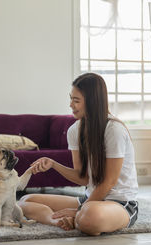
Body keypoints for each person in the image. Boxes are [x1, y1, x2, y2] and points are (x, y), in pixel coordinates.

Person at [18, 72, 138, 236]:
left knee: (90, 216)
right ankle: (58, 221)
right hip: (90, 200)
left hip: (119, 204)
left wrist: (81, 209)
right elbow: (83, 178)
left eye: (76, 101)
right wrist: (53, 164)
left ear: (92, 102)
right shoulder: (75, 131)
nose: (71, 105)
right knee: (25, 201)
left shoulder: (114, 130)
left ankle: (79, 217)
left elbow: (109, 182)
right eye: (71, 99)